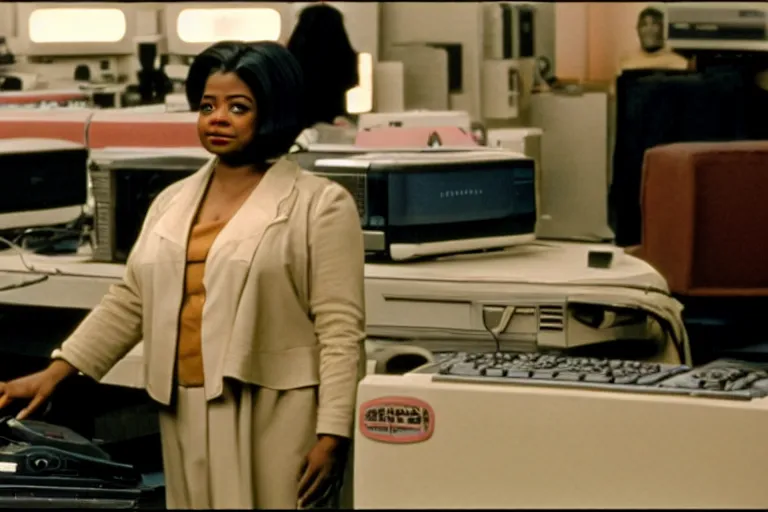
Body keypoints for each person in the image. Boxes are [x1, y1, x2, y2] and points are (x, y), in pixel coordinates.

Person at [0, 40, 366, 510]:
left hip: (280, 407)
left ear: (273, 112)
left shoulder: (321, 204)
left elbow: (341, 329)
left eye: (238, 107)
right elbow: (131, 300)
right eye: (208, 105)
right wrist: (56, 372)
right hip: (185, 405)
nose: (217, 118)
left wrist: (333, 432)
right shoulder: (173, 201)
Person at [287, 4, 359, 129]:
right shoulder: (344, 55)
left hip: (297, 120)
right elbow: (351, 80)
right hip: (335, 116)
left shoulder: (290, 58)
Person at [620, 6, 689, 72]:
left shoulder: (680, 63)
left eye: (655, 24)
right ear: (637, 29)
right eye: (644, 24)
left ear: (664, 29)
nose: (649, 29)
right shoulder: (626, 61)